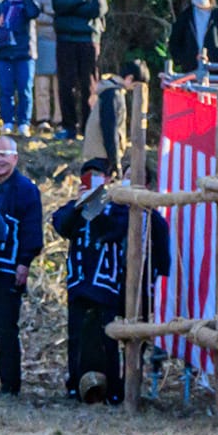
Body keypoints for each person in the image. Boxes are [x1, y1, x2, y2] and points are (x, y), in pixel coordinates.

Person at [52, 158, 169, 404]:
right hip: (78, 282)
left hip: (107, 283)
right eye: (88, 176)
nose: (93, 180)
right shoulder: (73, 206)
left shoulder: (117, 208)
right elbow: (62, 226)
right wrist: (80, 205)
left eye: (98, 176)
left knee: (111, 339)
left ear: (107, 179)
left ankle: (116, 390)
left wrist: (94, 205)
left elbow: (113, 231)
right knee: (76, 337)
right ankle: (76, 385)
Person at [0, 137, 41, 395]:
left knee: (5, 331)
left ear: (15, 158)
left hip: (8, 269)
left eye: (3, 154)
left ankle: (10, 387)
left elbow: (31, 230)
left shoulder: (26, 189)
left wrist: (24, 262)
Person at [50, 0, 107, 140]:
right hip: (65, 38)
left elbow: (98, 9)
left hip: (88, 39)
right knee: (66, 84)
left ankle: (88, 127)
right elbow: (59, 5)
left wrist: (72, 4)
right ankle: (69, 127)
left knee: (88, 84)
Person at [0, 0, 41, 135]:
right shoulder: (2, 5)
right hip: (5, 55)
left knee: (25, 89)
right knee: (6, 89)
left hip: (24, 55)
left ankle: (24, 122)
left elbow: (33, 13)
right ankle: (7, 121)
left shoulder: (27, 5)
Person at [82, 60, 146, 180]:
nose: (132, 90)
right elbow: (109, 129)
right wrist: (115, 161)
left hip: (98, 155)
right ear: (129, 78)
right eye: (135, 86)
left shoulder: (107, 91)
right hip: (101, 157)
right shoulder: (113, 94)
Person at [168, 0, 218, 74]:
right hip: (191, 69)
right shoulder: (185, 17)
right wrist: (185, 59)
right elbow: (175, 42)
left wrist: (217, 57)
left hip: (217, 69)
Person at [32, 0, 60, 132]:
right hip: (42, 41)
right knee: (42, 83)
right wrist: (53, 16)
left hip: (62, 41)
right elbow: (34, 14)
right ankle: (43, 118)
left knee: (60, 83)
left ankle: (59, 119)